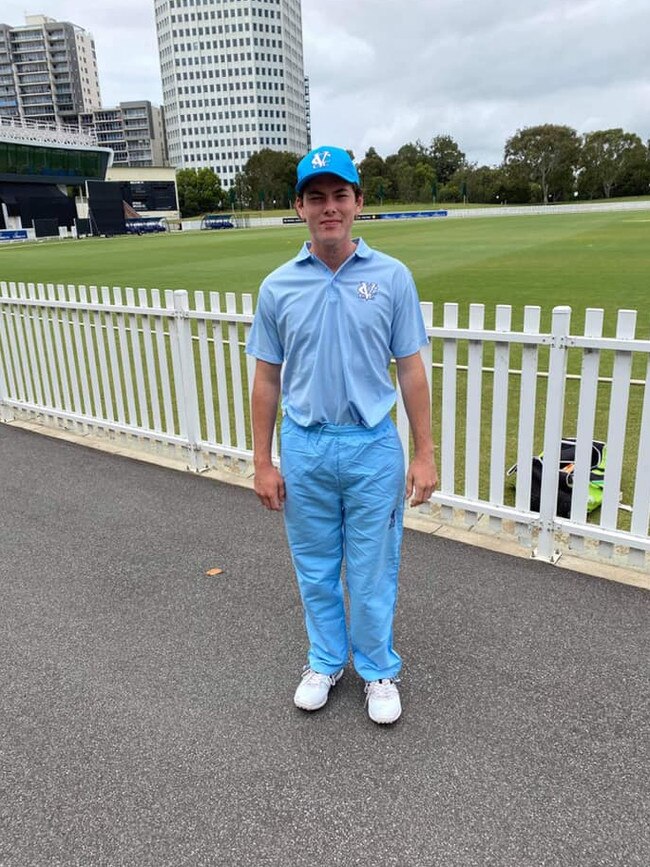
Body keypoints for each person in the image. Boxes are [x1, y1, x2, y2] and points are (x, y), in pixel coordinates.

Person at [246, 146, 438, 725]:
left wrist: (425, 453)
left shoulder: (391, 278)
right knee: (315, 565)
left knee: (374, 566)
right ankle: (326, 661)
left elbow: (410, 368)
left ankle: (377, 668)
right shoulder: (278, 287)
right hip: (305, 445)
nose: (329, 207)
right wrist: (262, 460)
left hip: (370, 445)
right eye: (316, 197)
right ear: (299, 207)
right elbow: (266, 379)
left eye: (339, 196)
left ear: (358, 203)